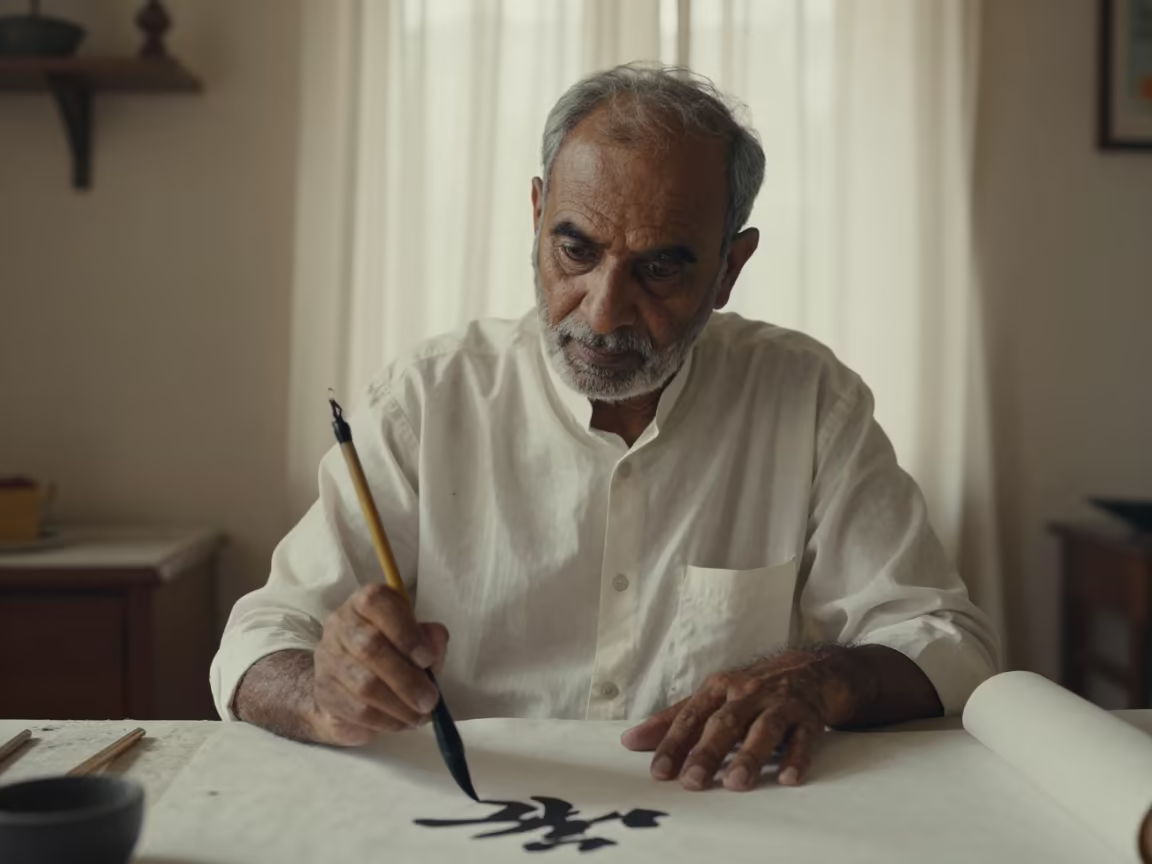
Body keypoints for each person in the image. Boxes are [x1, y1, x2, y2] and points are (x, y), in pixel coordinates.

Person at [211, 64, 999, 793]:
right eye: (576, 250)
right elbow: (258, 639)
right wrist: (320, 693)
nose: (603, 310)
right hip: (477, 816)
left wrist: (822, 677)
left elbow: (946, 640)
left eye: (660, 268)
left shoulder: (808, 400)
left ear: (729, 268)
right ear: (536, 214)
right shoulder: (430, 401)